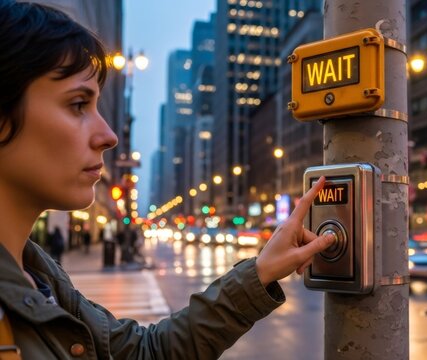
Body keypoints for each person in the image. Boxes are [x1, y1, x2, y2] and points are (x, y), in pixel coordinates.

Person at [0, 2, 335, 358]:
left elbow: (147, 352)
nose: (109, 135)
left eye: (97, 105)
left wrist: (262, 270)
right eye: (78, 104)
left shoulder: (38, 273)